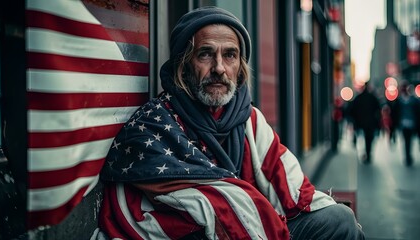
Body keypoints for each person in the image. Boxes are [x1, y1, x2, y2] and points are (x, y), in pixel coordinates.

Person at [98, 6, 365, 239]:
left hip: (259, 230)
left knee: (340, 220)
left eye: (230, 55)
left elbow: (294, 189)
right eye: (205, 54)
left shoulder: (250, 120)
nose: (219, 68)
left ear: (240, 67)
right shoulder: (155, 126)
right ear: (184, 64)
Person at [349, 81, 381, 163]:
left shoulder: (359, 98)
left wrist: (354, 120)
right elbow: (378, 110)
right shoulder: (372, 98)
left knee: (362, 139)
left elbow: (352, 110)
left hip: (361, 123)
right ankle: (368, 153)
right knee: (368, 139)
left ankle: (364, 154)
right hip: (370, 123)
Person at [390, 81, 420, 166]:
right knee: (407, 140)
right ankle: (408, 156)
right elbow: (394, 113)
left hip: (412, 123)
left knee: (408, 140)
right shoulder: (399, 101)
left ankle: (408, 156)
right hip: (403, 124)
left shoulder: (413, 101)